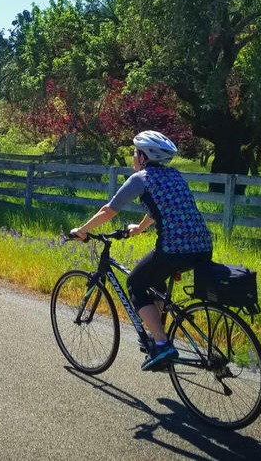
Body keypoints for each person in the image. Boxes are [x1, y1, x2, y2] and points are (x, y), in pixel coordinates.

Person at [71, 131, 213, 371]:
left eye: (134, 152)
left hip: (174, 249)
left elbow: (109, 210)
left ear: (143, 157)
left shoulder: (141, 178)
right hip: (202, 247)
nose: (132, 156)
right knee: (154, 282)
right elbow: (159, 208)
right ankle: (157, 334)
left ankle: (161, 343)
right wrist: (139, 228)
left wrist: (82, 230)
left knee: (135, 283)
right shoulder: (175, 176)